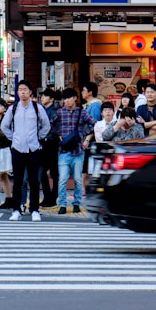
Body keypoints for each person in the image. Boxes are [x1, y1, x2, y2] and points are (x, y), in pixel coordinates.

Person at [0, 80, 50, 221]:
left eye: (25, 89)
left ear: (30, 92)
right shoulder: (13, 108)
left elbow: (46, 125)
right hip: (17, 148)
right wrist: (13, 138)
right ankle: (16, 209)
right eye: (20, 89)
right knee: (18, 181)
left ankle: (34, 209)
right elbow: (4, 126)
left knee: (34, 181)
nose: (22, 92)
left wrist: (39, 137)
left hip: (34, 148)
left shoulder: (37, 108)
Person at [51, 87, 95, 215]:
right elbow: (50, 124)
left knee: (77, 179)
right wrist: (58, 133)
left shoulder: (81, 112)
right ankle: (63, 204)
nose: (67, 101)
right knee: (62, 179)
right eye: (65, 99)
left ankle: (76, 203)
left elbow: (93, 123)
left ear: (75, 98)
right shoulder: (60, 112)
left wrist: (84, 135)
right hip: (64, 151)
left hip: (78, 151)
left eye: (70, 98)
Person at [37, 87, 60, 207]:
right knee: (42, 171)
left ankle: (52, 197)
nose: (42, 98)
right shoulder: (42, 110)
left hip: (51, 144)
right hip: (43, 143)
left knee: (53, 172)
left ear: (51, 99)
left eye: (45, 96)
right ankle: (47, 196)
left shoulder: (54, 111)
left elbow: (51, 128)